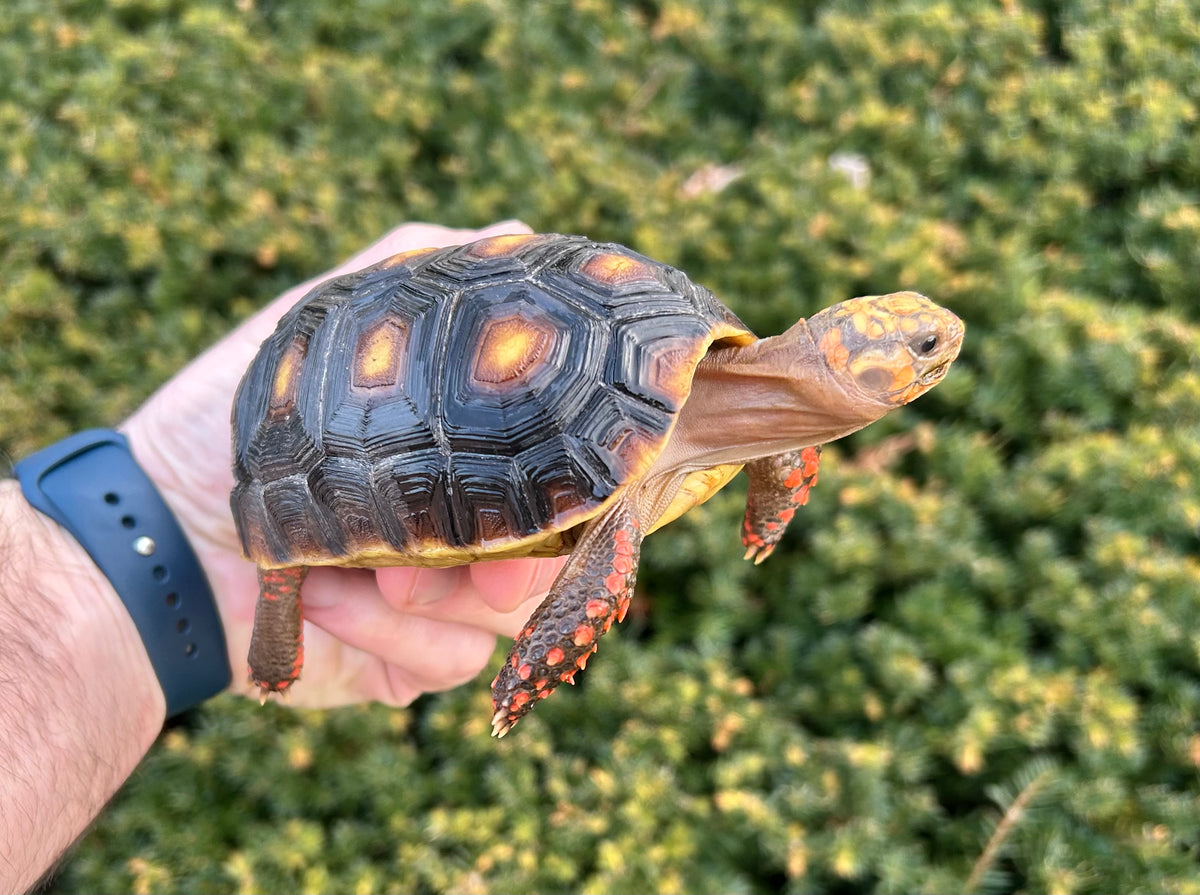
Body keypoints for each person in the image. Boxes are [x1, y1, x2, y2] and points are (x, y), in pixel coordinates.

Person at [0, 221, 567, 892]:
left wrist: (135, 563)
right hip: (341, 437)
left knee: (292, 573)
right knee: (285, 574)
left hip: (325, 453)